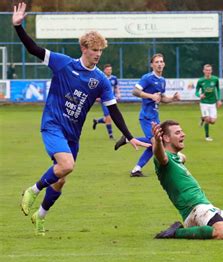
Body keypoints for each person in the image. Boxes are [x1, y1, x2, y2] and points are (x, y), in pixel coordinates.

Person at [13, 2, 150, 236]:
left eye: (100, 51)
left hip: (72, 135)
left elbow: (114, 110)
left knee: (61, 179)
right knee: (66, 165)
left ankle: (40, 216)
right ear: (84, 49)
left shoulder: (101, 81)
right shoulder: (63, 63)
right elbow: (34, 49)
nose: (97, 55)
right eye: (94, 50)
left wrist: (129, 136)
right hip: (53, 125)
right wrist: (18, 27)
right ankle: (32, 191)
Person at [152, 120, 223, 239]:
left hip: (207, 207)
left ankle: (207, 229)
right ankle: (176, 232)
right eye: (177, 133)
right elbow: (160, 155)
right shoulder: (163, 160)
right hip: (195, 210)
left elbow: (182, 157)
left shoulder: (176, 157)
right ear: (166, 138)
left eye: (182, 131)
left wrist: (176, 154)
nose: (183, 134)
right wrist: (157, 142)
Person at [114, 53, 180, 177]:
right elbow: (135, 91)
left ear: (164, 64)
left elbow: (162, 98)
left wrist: (173, 98)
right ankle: (137, 168)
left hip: (155, 117)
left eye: (161, 61)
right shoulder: (148, 78)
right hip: (146, 117)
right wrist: (151, 96)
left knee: (154, 144)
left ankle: (136, 167)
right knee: (156, 143)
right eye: (157, 62)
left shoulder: (162, 80)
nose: (159, 64)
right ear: (152, 65)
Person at [92, 64, 121, 139]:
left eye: (110, 69)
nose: (109, 71)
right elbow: (95, 88)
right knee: (108, 116)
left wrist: (118, 94)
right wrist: (96, 97)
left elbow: (116, 87)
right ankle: (111, 135)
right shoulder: (101, 78)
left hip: (112, 100)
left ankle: (97, 121)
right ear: (104, 70)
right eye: (108, 70)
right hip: (104, 100)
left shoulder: (114, 78)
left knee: (109, 117)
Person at [195, 64, 221, 142]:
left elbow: (218, 90)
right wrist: (199, 95)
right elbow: (196, 91)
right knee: (208, 119)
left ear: (211, 71)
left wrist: (219, 100)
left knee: (212, 121)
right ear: (204, 71)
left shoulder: (215, 79)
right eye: (206, 70)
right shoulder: (200, 81)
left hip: (212, 103)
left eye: (209, 70)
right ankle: (207, 136)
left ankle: (202, 118)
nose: (208, 72)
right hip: (204, 103)